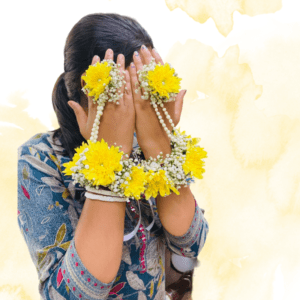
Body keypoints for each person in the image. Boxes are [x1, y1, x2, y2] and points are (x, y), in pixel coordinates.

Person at [17, 13, 209, 300]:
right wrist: (110, 155)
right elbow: (72, 294)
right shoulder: (41, 157)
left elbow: (190, 244)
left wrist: (158, 142)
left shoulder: (151, 140)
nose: (131, 107)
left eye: (142, 92)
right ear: (85, 94)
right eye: (117, 94)